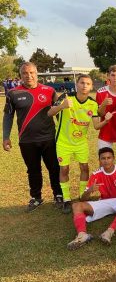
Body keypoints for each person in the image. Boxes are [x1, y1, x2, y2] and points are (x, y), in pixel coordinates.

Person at [47, 74, 114, 213]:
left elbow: (96, 126)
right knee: (64, 169)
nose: (84, 86)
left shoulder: (92, 103)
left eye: (88, 84)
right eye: (82, 83)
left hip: (81, 142)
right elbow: (49, 113)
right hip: (63, 142)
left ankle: (83, 196)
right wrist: (62, 106)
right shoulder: (65, 98)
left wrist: (106, 120)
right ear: (76, 84)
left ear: (91, 87)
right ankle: (66, 199)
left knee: (85, 168)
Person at [2, 62, 63, 211]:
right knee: (33, 170)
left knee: (54, 168)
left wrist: (63, 135)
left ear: (37, 74)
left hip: (48, 138)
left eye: (32, 73)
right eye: (25, 73)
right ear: (20, 75)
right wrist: (5, 136)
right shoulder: (13, 93)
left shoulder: (49, 91)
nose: (29, 76)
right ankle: (36, 197)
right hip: (26, 140)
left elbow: (59, 114)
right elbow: (8, 116)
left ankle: (58, 195)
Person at [67, 147, 116, 250]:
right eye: (103, 158)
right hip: (105, 202)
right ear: (99, 160)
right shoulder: (96, 174)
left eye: (109, 158)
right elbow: (83, 199)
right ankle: (82, 235)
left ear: (113, 158)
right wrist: (89, 190)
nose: (106, 160)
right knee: (76, 205)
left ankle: (109, 232)